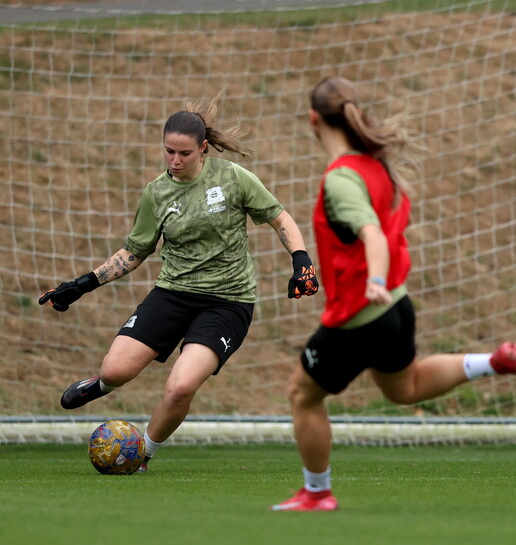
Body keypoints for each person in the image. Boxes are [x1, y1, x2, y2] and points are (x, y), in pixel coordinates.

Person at [271, 77, 516, 512]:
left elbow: (370, 232)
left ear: (313, 119)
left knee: (302, 394)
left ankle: (317, 493)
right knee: (404, 388)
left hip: (363, 310)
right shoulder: (376, 166)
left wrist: (374, 279)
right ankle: (495, 360)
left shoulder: (341, 179)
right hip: (396, 306)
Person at [40, 93, 319, 473]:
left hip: (227, 302)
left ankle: (141, 458)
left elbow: (281, 219)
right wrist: (83, 284)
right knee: (115, 372)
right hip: (172, 293)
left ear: (203, 149)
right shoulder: (157, 193)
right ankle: (100, 385)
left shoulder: (232, 177)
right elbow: (135, 252)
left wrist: (301, 261)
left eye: (184, 153)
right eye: (168, 151)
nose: (174, 160)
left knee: (180, 387)